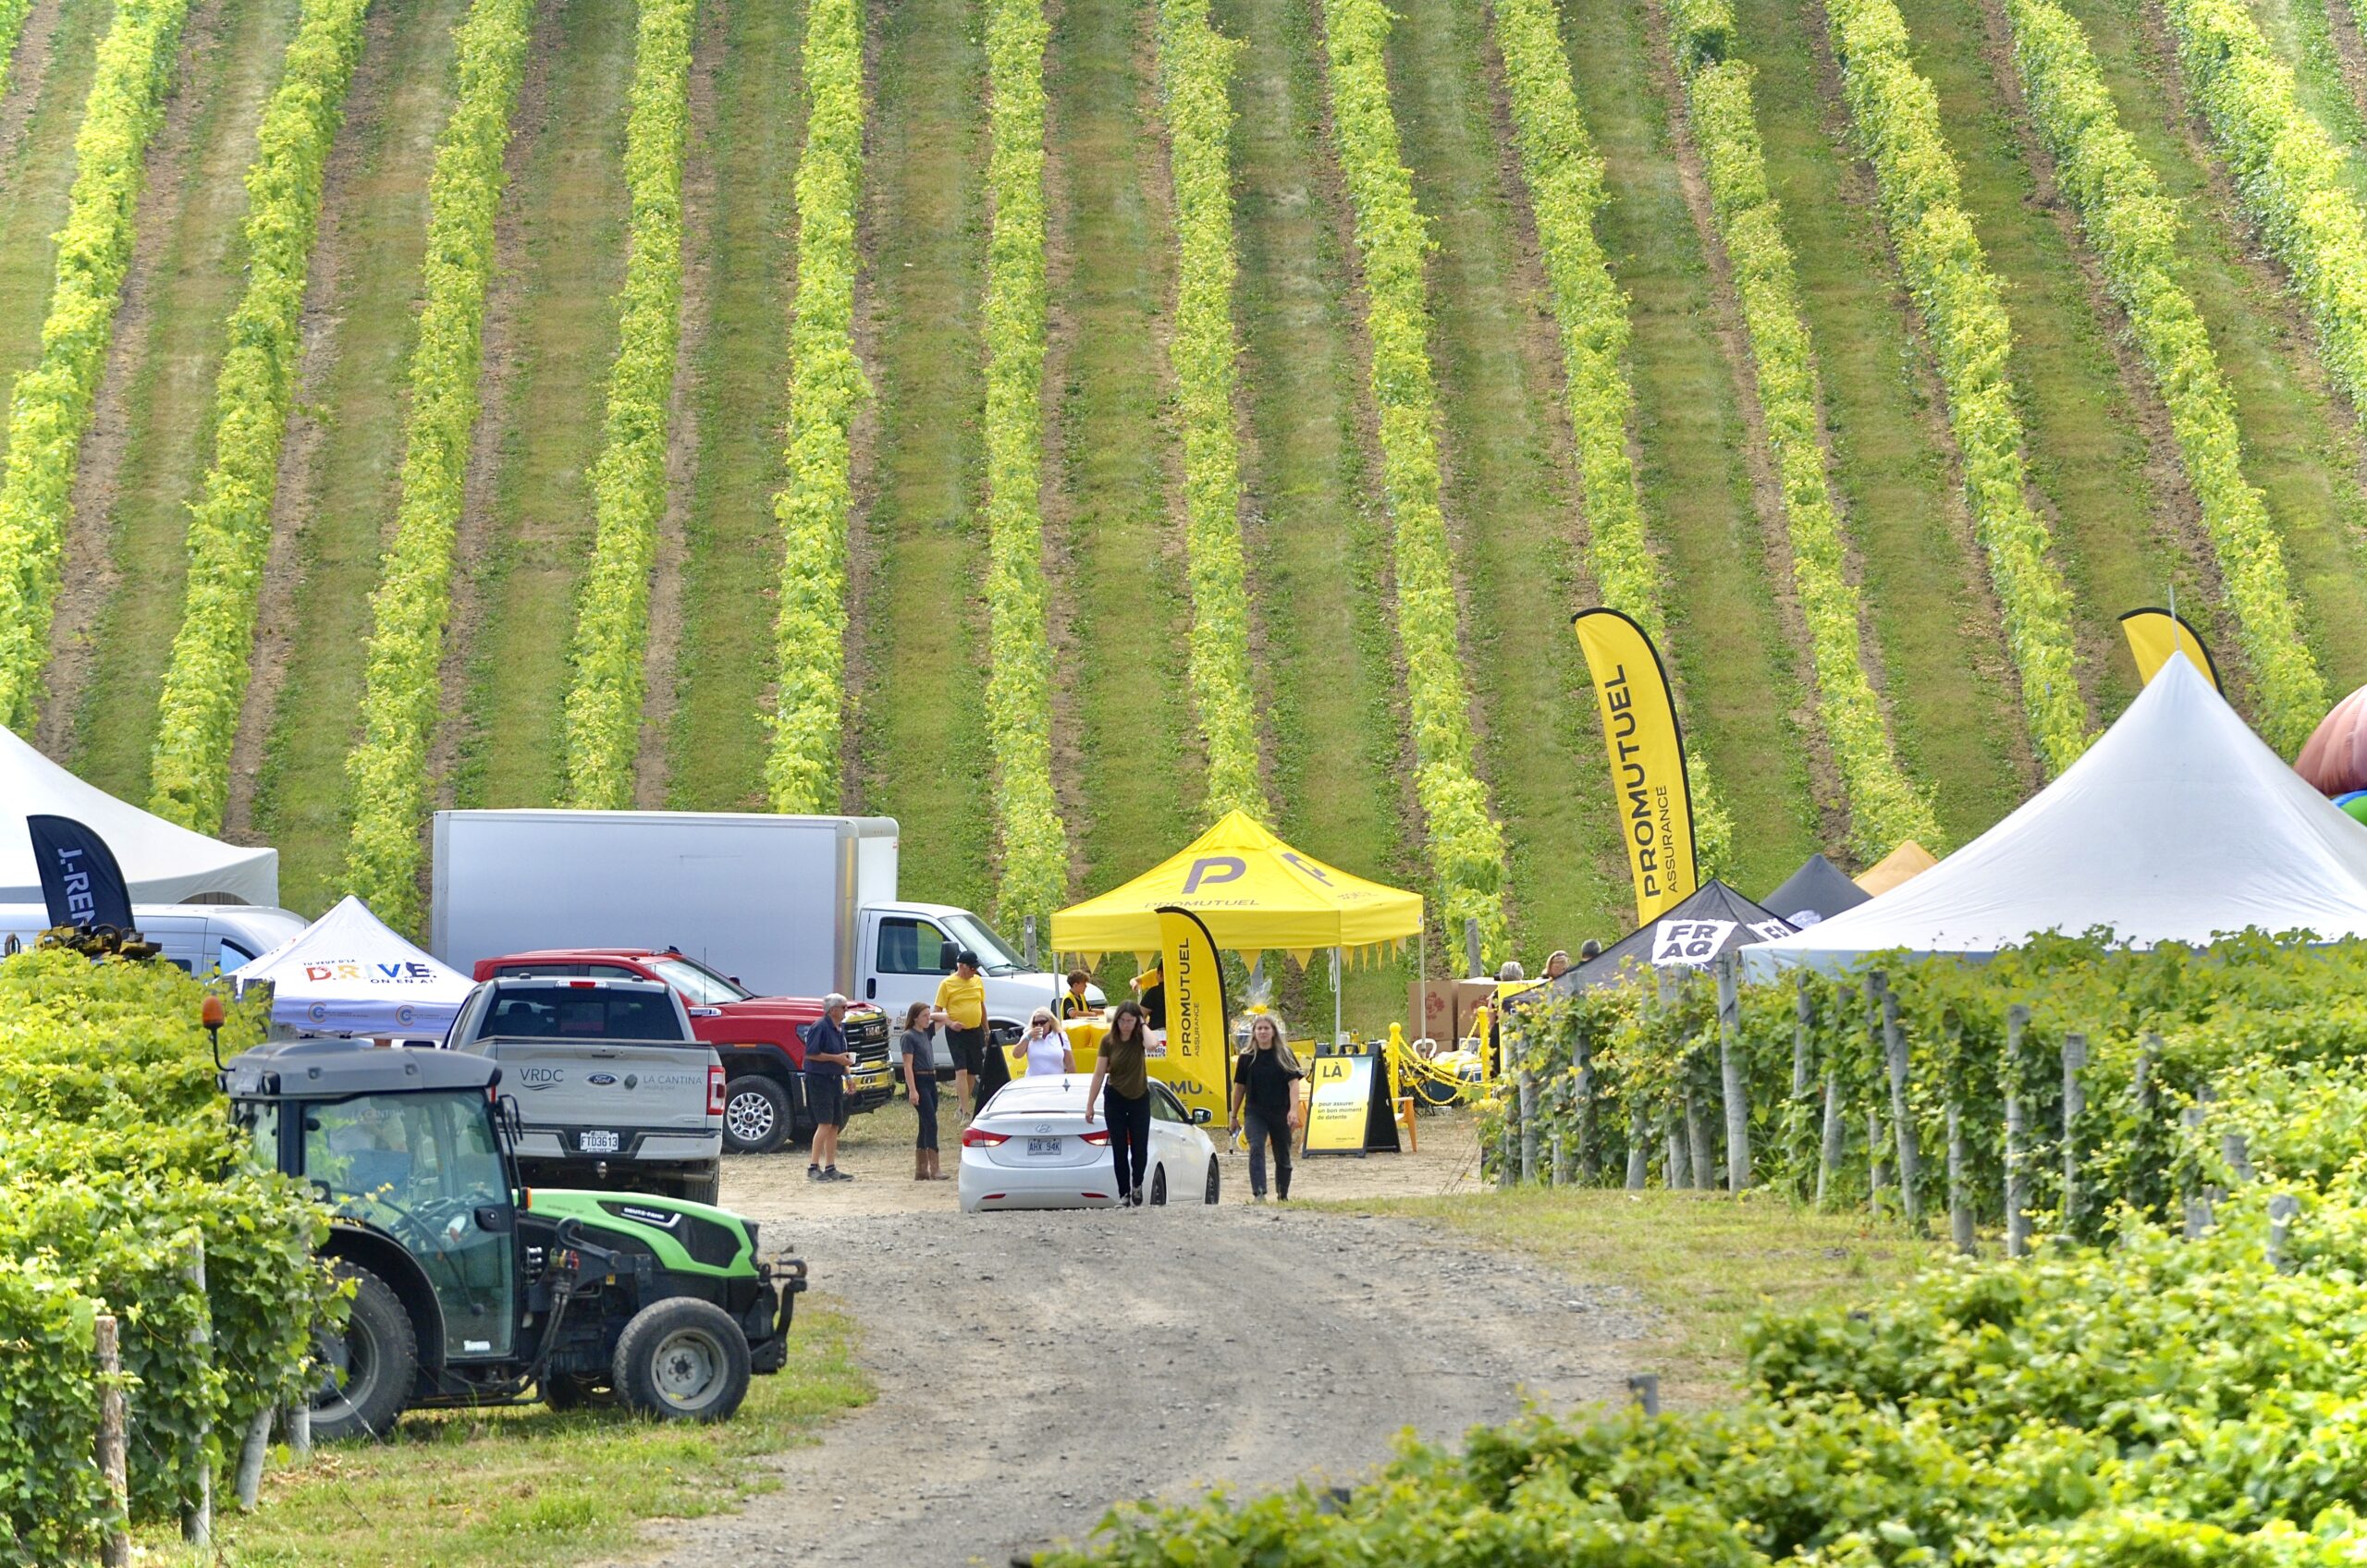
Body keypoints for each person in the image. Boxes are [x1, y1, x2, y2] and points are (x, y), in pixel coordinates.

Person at [1228, 1013, 1305, 1202]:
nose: (1262, 1032)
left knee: (1283, 1154)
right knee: (1256, 1148)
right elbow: (1239, 1088)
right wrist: (1233, 1115)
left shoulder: (1285, 1054)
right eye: (1259, 1028)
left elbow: (1294, 1084)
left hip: (1281, 1112)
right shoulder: (1246, 1058)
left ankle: (1282, 1194)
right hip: (1255, 1112)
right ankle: (1259, 1193)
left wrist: (1293, 1111)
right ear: (1253, 1033)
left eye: (1266, 1028)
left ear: (1273, 1032)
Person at [1085, 1000, 1154, 1207]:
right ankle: (1124, 1193)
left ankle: (1137, 1184)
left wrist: (1141, 1024)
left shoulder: (1140, 1037)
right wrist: (1090, 1104)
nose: (1125, 1025)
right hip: (1115, 1097)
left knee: (1140, 1148)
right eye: (1122, 1020)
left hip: (1139, 1097)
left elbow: (1152, 1045)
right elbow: (1098, 1074)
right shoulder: (1108, 1041)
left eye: (1130, 1021)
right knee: (1119, 1148)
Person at [804, 994, 857, 1182]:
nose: (846, 1011)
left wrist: (848, 1075)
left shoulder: (839, 1028)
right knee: (825, 1123)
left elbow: (843, 1055)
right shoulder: (820, 1027)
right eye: (844, 1007)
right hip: (819, 1079)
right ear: (832, 1010)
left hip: (835, 1078)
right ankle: (813, 1167)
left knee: (835, 1124)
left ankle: (831, 1166)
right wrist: (836, 1059)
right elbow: (811, 1054)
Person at [934, 949, 989, 1121]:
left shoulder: (977, 981)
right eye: (972, 968)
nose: (974, 972)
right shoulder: (947, 984)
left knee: (973, 1070)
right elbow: (937, 1011)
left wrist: (986, 1029)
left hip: (975, 1030)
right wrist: (950, 1023)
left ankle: (961, 1106)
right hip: (956, 1032)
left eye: (976, 969)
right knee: (961, 1070)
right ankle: (966, 1111)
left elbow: (981, 1006)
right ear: (962, 966)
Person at [899, 1000, 942, 1182]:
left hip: (931, 1079)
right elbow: (907, 1066)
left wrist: (930, 1015)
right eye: (924, 1016)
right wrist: (912, 1090)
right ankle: (935, 1168)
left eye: (928, 1015)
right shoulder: (909, 1037)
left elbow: (946, 1018)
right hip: (920, 1079)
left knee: (925, 1124)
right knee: (931, 1123)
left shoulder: (926, 1033)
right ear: (915, 1018)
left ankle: (921, 1169)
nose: (928, 1019)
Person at [1019, 1008, 1074, 1078]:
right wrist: (1028, 1037)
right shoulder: (1028, 1036)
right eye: (1035, 1023)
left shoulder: (1061, 1036)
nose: (1039, 1026)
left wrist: (1071, 1081)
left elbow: (1069, 1063)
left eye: (1042, 1023)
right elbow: (1016, 1055)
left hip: (1056, 1082)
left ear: (1050, 1022)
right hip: (1033, 1083)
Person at [1133, 962, 1167, 1030]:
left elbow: (1140, 1015)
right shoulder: (1184, 992)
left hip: (1159, 1034)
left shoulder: (1154, 992)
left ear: (1160, 973)